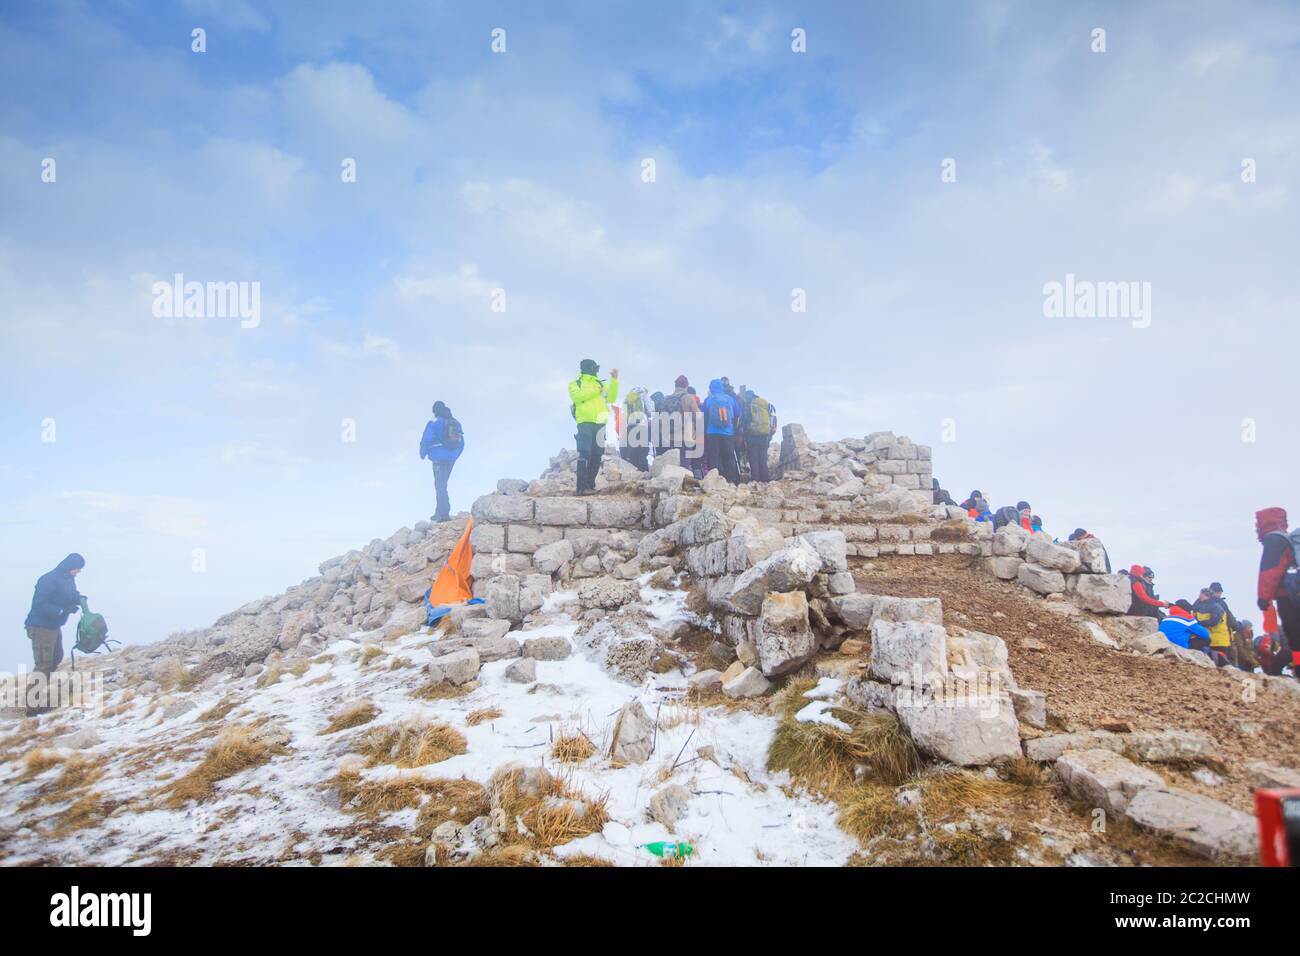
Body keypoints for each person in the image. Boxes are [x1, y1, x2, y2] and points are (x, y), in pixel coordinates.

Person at [24, 553, 85, 713]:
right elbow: (40, 603)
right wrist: (61, 610)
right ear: (70, 566)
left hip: (53, 626)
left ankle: (38, 698)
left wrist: (78, 600)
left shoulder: (68, 579)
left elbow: (72, 595)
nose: (78, 572)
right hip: (40, 627)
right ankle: (32, 707)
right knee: (44, 664)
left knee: (56, 657)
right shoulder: (48, 579)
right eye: (77, 568)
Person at [1256, 506, 1300, 676]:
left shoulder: (1274, 539)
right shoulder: (1288, 540)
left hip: (1287, 596)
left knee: (1295, 637)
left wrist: (1263, 597)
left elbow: (1270, 570)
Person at [568, 359, 619, 495]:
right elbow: (578, 397)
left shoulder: (601, 384)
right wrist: (597, 391)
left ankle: (590, 485)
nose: (597, 370)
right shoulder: (575, 383)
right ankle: (581, 487)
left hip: (601, 423)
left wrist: (614, 381)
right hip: (584, 421)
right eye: (595, 368)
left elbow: (611, 398)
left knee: (597, 455)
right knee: (585, 453)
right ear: (588, 368)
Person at [418, 401, 465, 522]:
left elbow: (426, 439)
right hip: (451, 458)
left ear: (435, 411)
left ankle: (443, 514)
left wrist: (422, 453)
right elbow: (462, 443)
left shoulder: (434, 422)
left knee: (440, 485)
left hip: (438, 458)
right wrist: (455, 455)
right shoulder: (456, 423)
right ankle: (439, 511)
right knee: (442, 484)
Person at [700, 378, 740, 484]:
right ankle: (731, 481)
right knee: (729, 457)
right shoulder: (730, 399)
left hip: (712, 433)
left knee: (713, 458)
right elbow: (737, 413)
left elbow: (702, 414)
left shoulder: (708, 400)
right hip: (728, 433)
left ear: (711, 388)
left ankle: (714, 482)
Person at [742, 388, 777, 483]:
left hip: (752, 436)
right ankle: (765, 479)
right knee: (762, 458)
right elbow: (772, 417)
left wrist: (744, 432)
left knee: (754, 459)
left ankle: (755, 480)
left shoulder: (750, 406)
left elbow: (746, 421)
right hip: (764, 436)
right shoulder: (764, 404)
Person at [1193, 587, 1234, 666]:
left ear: (1207, 596)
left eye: (1201, 594)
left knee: (1221, 664)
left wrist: (1199, 623)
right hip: (1207, 640)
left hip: (1219, 641)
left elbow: (1214, 621)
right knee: (1210, 664)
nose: (1199, 596)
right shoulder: (1198, 605)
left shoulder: (1215, 607)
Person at [621, 387, 654, 472]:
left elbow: (624, 414)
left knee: (632, 451)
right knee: (642, 452)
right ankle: (644, 474)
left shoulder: (627, 398)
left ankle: (633, 474)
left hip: (630, 427)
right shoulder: (644, 396)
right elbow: (651, 410)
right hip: (642, 426)